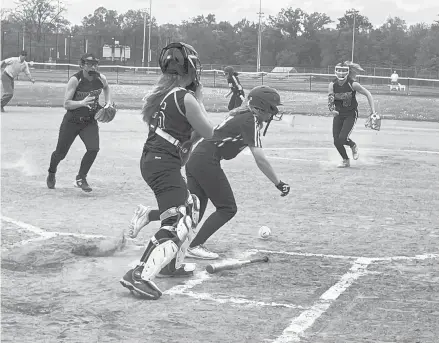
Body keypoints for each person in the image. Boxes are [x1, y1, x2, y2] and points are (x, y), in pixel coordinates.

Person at [128, 85, 291, 261]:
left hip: (199, 158)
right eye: (272, 109)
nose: (274, 113)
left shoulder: (246, 117)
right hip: (206, 160)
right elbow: (260, 159)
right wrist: (278, 182)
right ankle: (194, 245)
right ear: (261, 107)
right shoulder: (249, 120)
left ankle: (149, 214)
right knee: (227, 208)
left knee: (191, 212)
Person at [120, 42, 215, 300]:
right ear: (190, 68)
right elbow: (208, 132)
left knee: (191, 206)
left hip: (157, 160)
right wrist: (199, 97)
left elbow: (184, 135)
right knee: (177, 222)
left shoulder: (165, 94)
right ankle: (139, 274)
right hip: (162, 163)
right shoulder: (184, 97)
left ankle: (171, 264)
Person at [46, 53, 112, 192]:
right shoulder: (75, 80)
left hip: (89, 121)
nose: (92, 66)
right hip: (72, 121)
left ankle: (81, 177)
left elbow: (106, 88)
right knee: (60, 154)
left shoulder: (101, 78)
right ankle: (52, 172)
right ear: (82, 65)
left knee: (93, 148)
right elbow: (66, 104)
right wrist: (82, 102)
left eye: (95, 63)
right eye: (88, 63)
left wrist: (108, 103)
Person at [328, 61, 376, 168]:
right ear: (335, 72)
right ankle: (345, 160)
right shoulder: (332, 84)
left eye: (343, 71)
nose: (341, 74)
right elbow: (330, 98)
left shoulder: (352, 84)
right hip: (339, 114)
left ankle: (352, 145)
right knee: (336, 141)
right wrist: (332, 109)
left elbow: (368, 94)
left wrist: (373, 110)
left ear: (347, 72)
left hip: (350, 114)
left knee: (342, 138)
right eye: (339, 71)